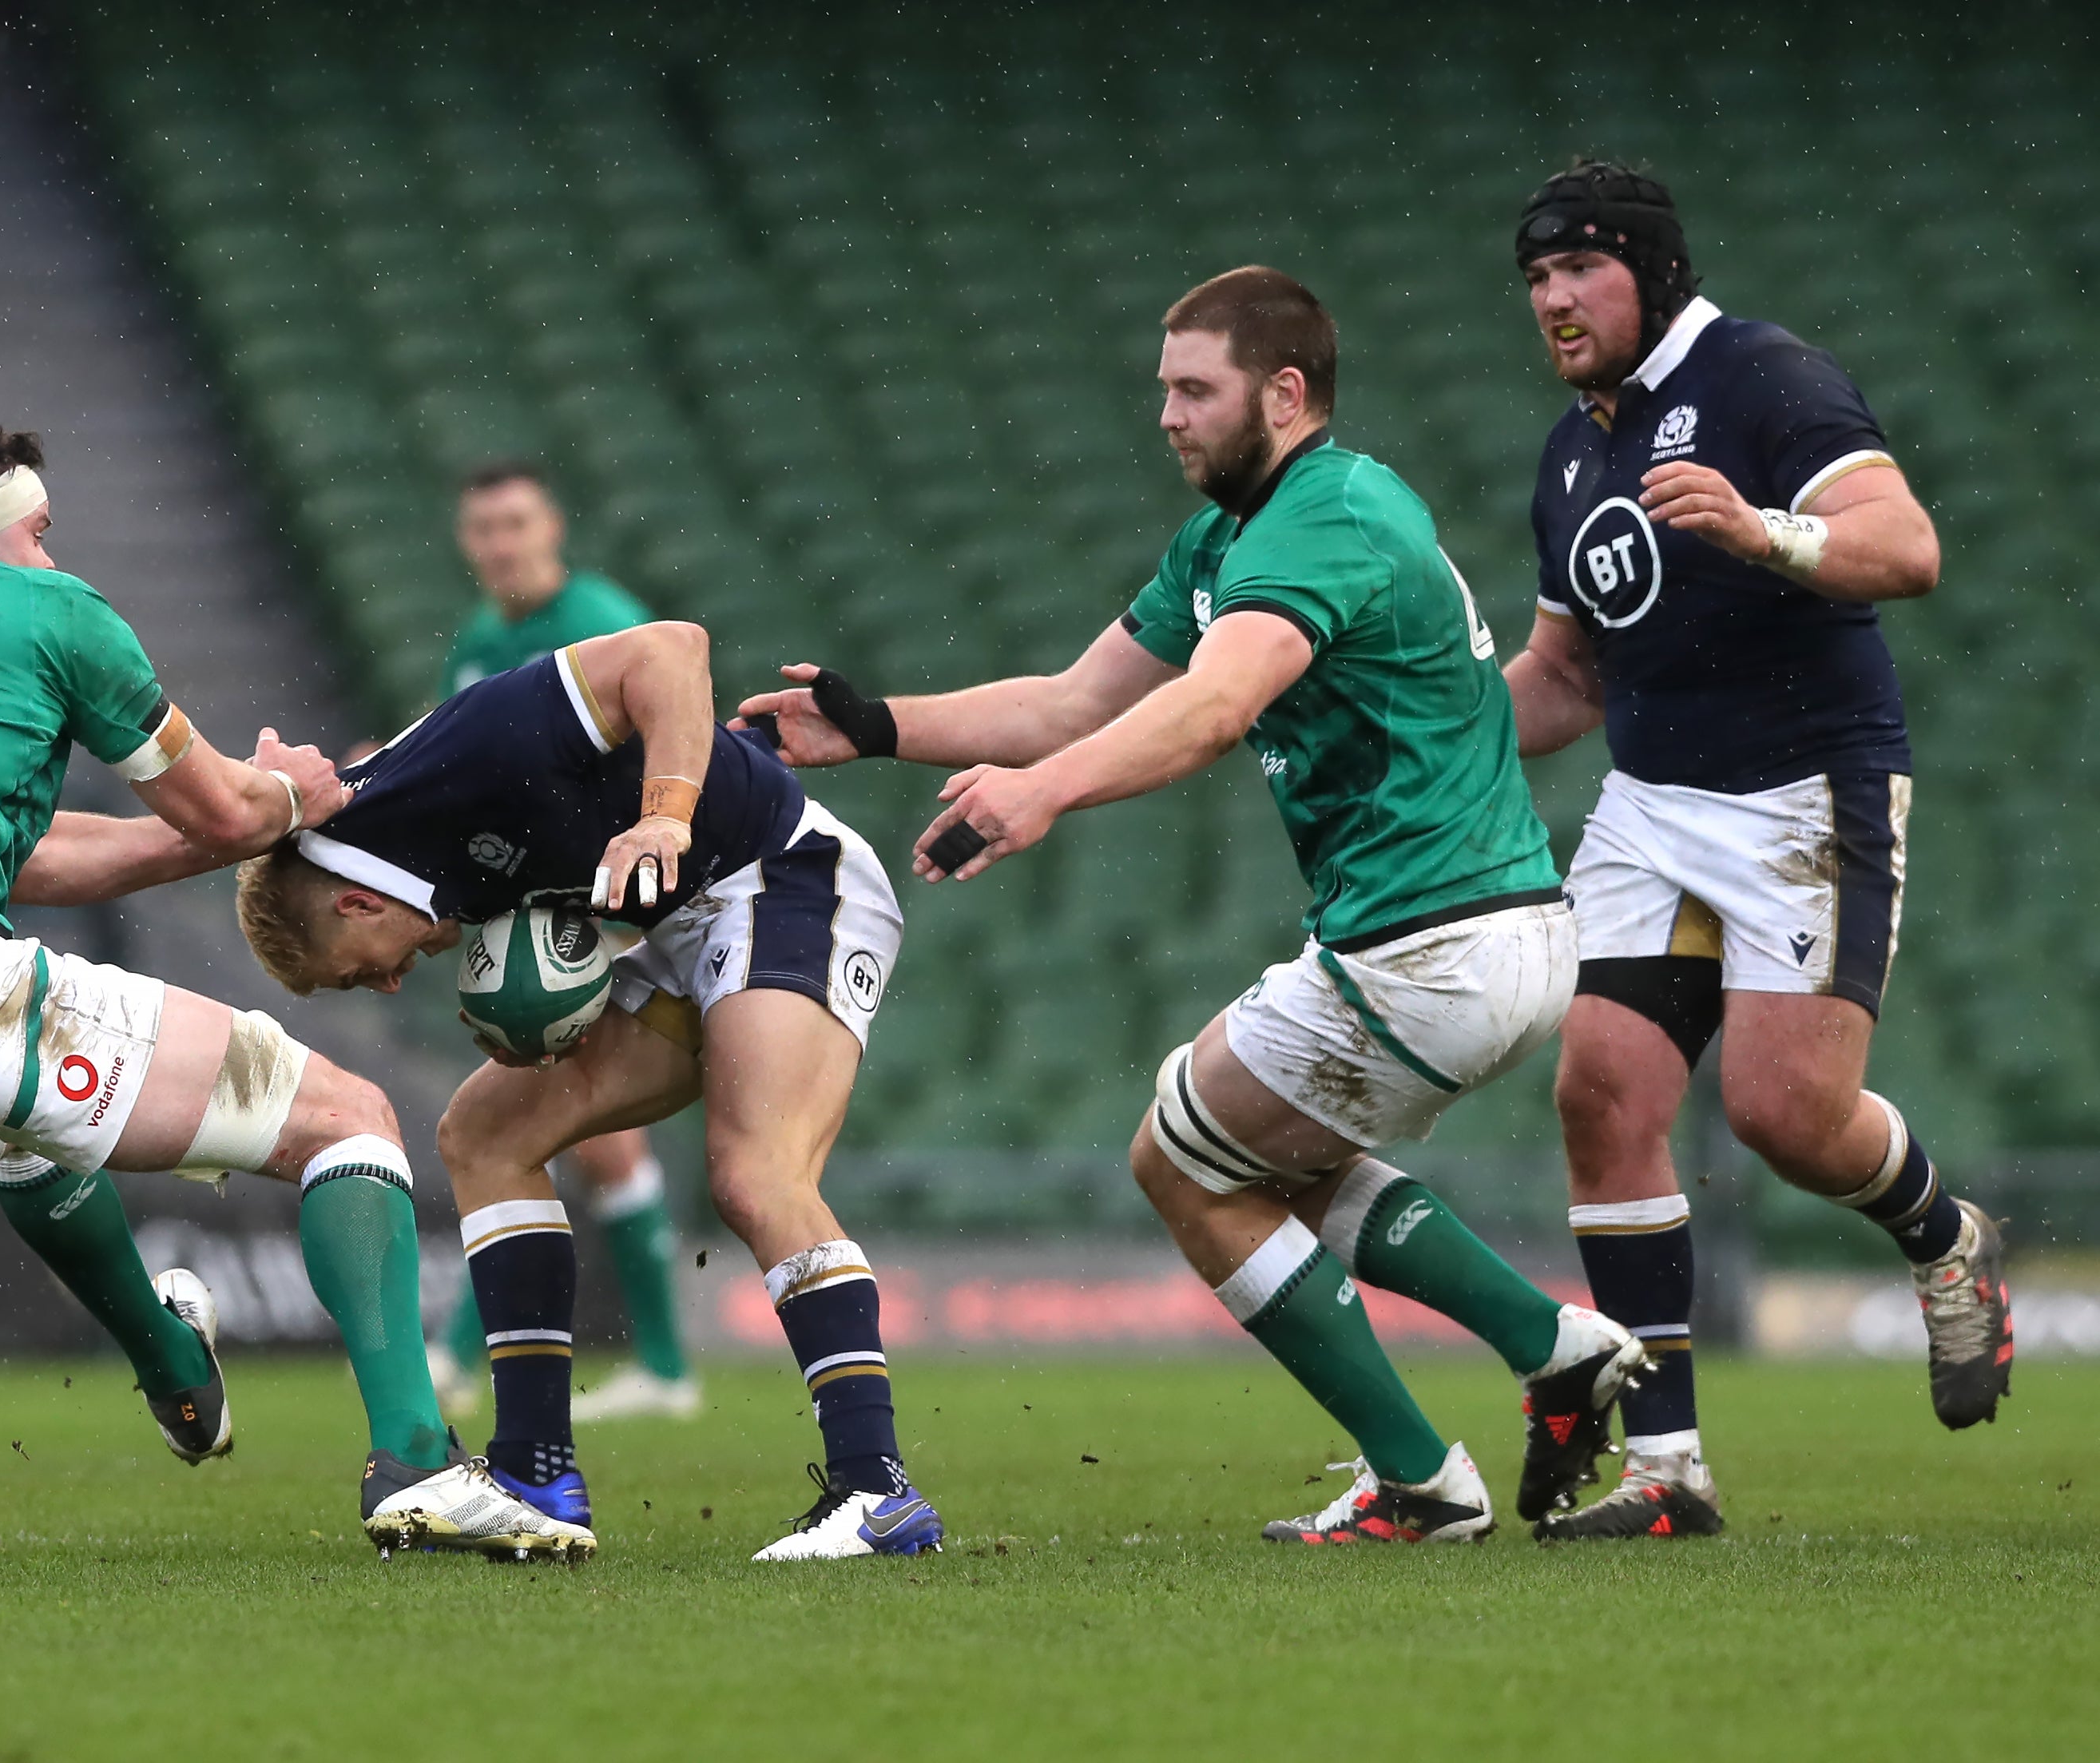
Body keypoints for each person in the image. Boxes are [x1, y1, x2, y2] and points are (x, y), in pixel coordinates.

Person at [739, 268, 1644, 1544]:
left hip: (1428, 940)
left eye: (1191, 388)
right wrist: (877, 724)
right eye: (1161, 386)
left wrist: (1039, 797)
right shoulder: (1230, 535)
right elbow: (1070, 697)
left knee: (1179, 1161)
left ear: (1282, 391)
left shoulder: (1321, 517)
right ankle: (1547, 1343)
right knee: (1274, 1157)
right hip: (1480, 933)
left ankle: (1420, 1474)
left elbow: (1213, 708)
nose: (1164, 413)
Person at [0, 423, 590, 1561]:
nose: (53, 554)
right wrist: (287, 792)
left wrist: (242, 815)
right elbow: (225, 812)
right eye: (41, 529)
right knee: (347, 1118)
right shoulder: (54, 614)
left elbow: (32, 860)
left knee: (28, 1137)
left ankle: (171, 1364)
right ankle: (415, 1460)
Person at [47, 621, 939, 1562]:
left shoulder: (465, 756)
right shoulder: (387, 845)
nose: (390, 984)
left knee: (756, 1173)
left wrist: (668, 815)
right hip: (678, 926)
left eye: (361, 972)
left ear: (356, 902)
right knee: (482, 1132)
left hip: (784, 875)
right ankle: (535, 1470)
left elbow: (672, 650)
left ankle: (876, 1490)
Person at [1501, 163, 2010, 1540]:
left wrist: (1756, 524)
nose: (1553, 298)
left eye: (1581, 270)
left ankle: (1945, 1238)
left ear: (1651, 271)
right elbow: (1565, 675)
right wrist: (1441, 737)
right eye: (1537, 277)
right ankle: (1668, 1473)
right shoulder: (1571, 448)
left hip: (1805, 790)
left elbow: (1906, 547)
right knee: (1600, 1090)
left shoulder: (1763, 375)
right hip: (1654, 799)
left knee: (1786, 1116)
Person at [427, 461, 697, 1424]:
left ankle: (477, 1355)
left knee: (562, 1132)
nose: (501, 542)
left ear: (554, 527)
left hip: (610, 906)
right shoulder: (484, 636)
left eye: (516, 522)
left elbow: (654, 747)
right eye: (484, 526)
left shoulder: (600, 614)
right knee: (564, 1130)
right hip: (550, 908)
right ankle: (657, 1366)